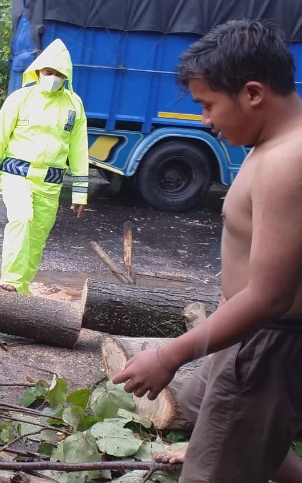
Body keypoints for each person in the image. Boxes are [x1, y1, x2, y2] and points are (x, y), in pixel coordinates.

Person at [113, 20, 302, 483]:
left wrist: (168, 356)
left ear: (253, 93)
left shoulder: (287, 162)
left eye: (208, 105)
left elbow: (271, 295)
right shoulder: (274, 145)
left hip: (267, 341)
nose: (206, 120)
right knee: (246, 431)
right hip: (248, 333)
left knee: (215, 467)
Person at [0, 39, 88, 294]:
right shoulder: (20, 99)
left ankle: (21, 289)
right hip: (16, 176)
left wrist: (80, 193)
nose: (52, 77)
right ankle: (11, 281)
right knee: (21, 218)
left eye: (59, 73)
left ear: (66, 75)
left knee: (37, 240)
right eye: (48, 72)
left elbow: (79, 150)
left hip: (50, 184)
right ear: (39, 71)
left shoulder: (74, 105)